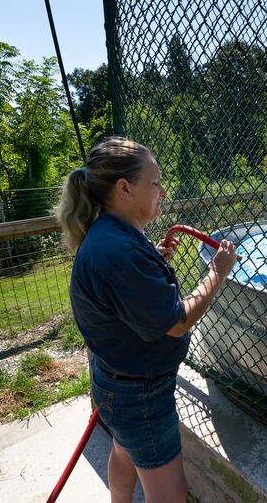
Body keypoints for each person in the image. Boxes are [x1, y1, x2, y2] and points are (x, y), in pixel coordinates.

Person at [55, 137, 237, 503]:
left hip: (113, 382)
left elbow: (121, 289)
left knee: (125, 450)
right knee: (170, 495)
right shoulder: (120, 252)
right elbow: (177, 322)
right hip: (141, 396)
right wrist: (217, 273)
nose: (163, 192)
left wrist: (152, 259)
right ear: (124, 189)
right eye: (155, 183)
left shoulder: (111, 233)